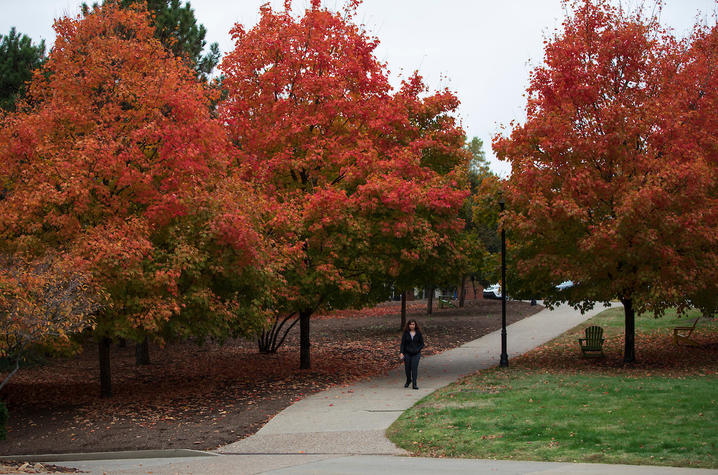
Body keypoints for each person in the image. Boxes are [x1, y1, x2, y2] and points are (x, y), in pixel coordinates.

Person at [400, 319, 424, 389]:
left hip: (416, 354)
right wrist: (401, 352)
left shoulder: (418, 333)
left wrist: (418, 349)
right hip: (407, 353)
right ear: (408, 325)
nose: (412, 326)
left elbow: (422, 344)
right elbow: (402, 344)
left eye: (413, 324)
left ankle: (414, 384)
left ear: (415, 325)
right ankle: (408, 380)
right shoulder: (406, 333)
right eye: (410, 324)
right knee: (407, 369)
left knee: (414, 368)